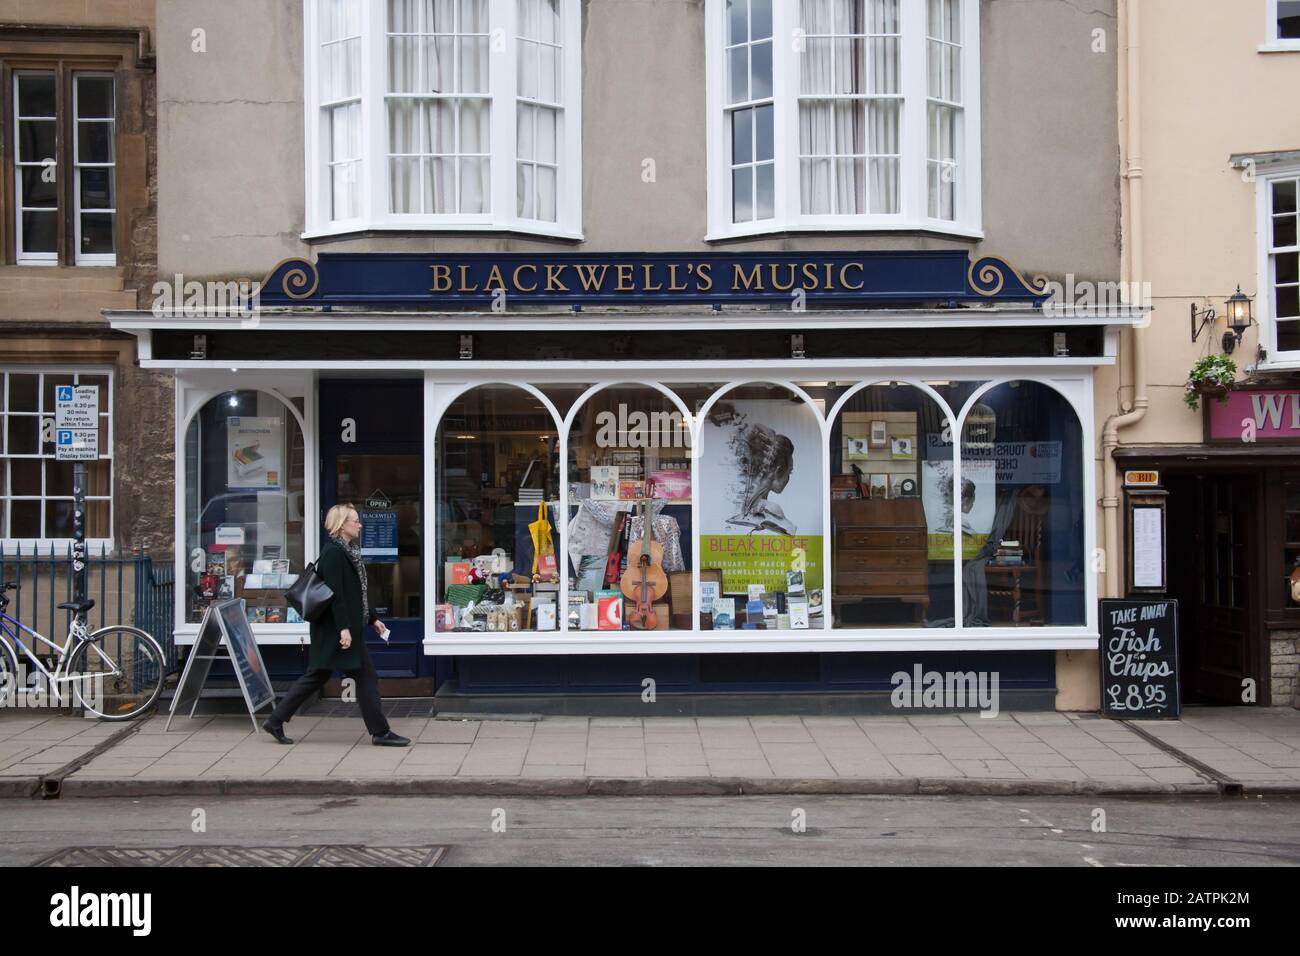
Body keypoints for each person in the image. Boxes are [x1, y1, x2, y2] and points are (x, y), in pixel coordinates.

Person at [262, 503, 409, 747]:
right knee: (363, 677)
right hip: (335, 629)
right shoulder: (333, 553)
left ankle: (275, 720)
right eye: (355, 520)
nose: (360, 524)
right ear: (342, 525)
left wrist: (372, 619)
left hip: (344, 627)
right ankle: (380, 732)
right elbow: (336, 595)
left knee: (319, 675)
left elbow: (356, 593)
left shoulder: (349, 550)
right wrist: (344, 629)